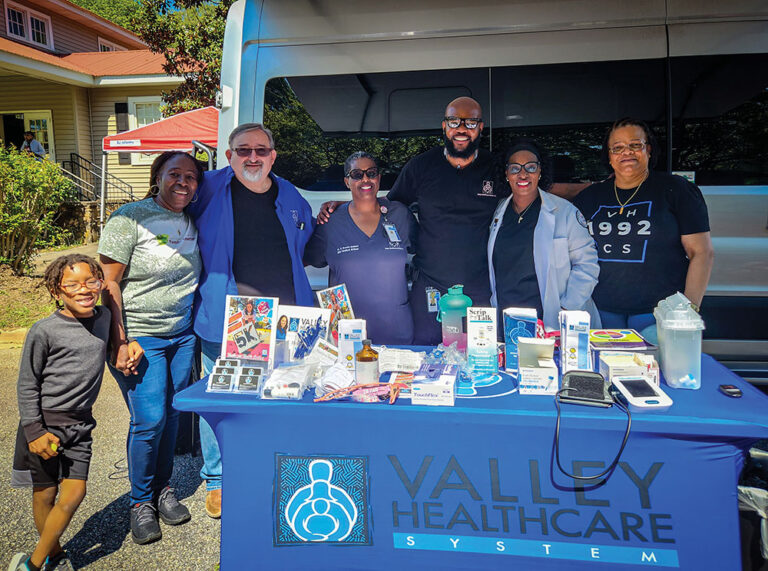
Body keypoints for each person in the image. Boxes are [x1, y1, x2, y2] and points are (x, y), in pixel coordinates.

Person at [187, 123, 314, 518]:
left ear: (274, 155)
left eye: (262, 150)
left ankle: (272, 464)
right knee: (221, 397)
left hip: (286, 317)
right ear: (229, 156)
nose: (253, 157)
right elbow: (168, 206)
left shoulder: (290, 192)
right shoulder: (207, 187)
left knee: (283, 393)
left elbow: (306, 236)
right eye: (244, 150)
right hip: (232, 315)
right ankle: (218, 480)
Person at [320, 97, 508, 345]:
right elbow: (385, 205)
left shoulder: (495, 167)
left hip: (479, 285)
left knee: (479, 355)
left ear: (481, 128)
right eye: (454, 122)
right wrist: (346, 207)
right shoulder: (421, 167)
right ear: (444, 126)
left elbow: (523, 197)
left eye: (470, 122)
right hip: (431, 284)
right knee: (424, 358)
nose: (462, 129)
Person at [9, 254, 141, 571]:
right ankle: (52, 555)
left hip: (81, 425)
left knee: (74, 494)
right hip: (45, 425)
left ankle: (31, 564)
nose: (83, 290)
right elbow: (27, 384)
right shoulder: (44, 331)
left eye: (90, 282)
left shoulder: (104, 319)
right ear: (57, 291)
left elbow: (116, 341)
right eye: (72, 284)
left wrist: (129, 343)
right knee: (45, 495)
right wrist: (35, 432)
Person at [99, 151, 203, 544]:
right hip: (141, 337)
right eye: (174, 174)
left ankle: (163, 490)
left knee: (173, 417)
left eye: (191, 177)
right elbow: (108, 285)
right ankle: (140, 502)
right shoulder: (130, 217)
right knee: (149, 419)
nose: (183, 182)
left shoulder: (192, 218)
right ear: (157, 176)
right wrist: (120, 341)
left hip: (182, 333)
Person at [573, 118, 714, 342]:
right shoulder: (589, 198)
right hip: (601, 312)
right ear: (609, 157)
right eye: (617, 148)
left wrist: (686, 311)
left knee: (653, 375)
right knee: (606, 375)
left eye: (635, 145)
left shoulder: (675, 190)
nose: (626, 152)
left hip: (656, 314)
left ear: (648, 149)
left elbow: (701, 253)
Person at [305, 151, 416, 344]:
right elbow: (310, 259)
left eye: (371, 173)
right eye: (357, 174)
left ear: (379, 178)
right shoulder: (331, 221)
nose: (365, 179)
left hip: (396, 330)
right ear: (347, 181)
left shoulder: (400, 215)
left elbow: (423, 251)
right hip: (347, 335)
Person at [488, 140, 600, 331]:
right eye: (515, 168)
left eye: (531, 167)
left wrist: (568, 307)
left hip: (552, 318)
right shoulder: (498, 212)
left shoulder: (564, 212)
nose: (523, 174)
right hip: (507, 316)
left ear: (540, 172)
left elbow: (587, 265)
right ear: (506, 174)